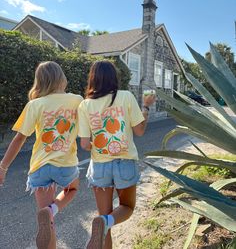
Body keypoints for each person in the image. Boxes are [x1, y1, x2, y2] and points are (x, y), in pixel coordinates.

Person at [0, 61, 83, 249]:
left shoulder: (35, 105)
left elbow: (19, 139)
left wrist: (3, 167)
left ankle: (47, 213)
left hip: (39, 167)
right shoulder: (77, 100)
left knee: (48, 226)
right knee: (72, 190)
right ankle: (51, 209)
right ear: (61, 78)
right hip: (65, 165)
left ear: (40, 81)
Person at [78, 60, 156, 249]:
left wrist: (100, 143)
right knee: (125, 209)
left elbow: (85, 144)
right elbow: (139, 131)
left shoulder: (85, 105)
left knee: (104, 216)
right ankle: (104, 222)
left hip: (99, 166)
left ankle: (103, 223)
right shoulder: (126, 97)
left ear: (92, 79)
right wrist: (146, 106)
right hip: (125, 163)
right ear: (114, 77)